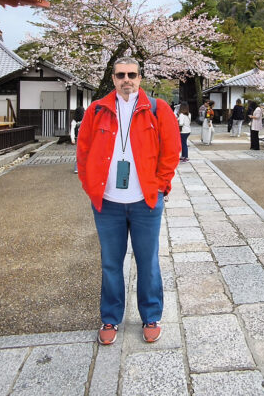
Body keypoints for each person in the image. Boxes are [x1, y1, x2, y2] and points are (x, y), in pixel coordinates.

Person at [76, 57, 181, 346]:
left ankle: (151, 315)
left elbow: (172, 151)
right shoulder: (97, 110)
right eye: (121, 74)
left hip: (145, 201)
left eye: (132, 74)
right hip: (107, 202)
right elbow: (83, 151)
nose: (126, 79)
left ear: (140, 77)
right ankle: (110, 317)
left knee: (148, 261)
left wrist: (159, 187)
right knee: (111, 263)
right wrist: (90, 186)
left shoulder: (158, 110)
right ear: (113, 78)